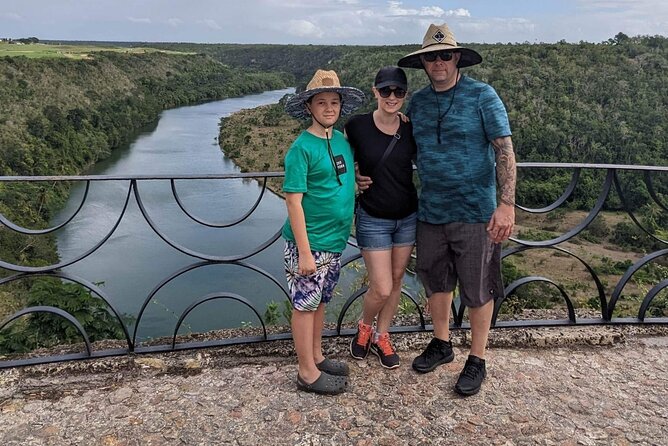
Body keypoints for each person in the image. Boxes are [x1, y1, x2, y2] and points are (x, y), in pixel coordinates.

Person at [358, 23, 517, 396]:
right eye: (432, 56)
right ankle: (442, 343)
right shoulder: (420, 104)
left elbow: (504, 150)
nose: (439, 62)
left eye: (445, 54)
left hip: (476, 211)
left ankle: (477, 359)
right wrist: (359, 176)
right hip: (430, 211)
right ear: (424, 63)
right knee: (436, 281)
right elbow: (392, 146)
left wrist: (506, 205)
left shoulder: (483, 96)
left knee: (478, 289)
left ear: (457, 57)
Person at [282, 69, 365, 395]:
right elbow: (293, 202)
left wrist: (356, 182)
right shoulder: (301, 148)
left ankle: (316, 357)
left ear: (340, 106)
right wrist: (304, 251)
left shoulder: (341, 140)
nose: (329, 108)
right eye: (321, 102)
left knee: (318, 303)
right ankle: (306, 372)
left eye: (334, 102)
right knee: (304, 306)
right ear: (309, 108)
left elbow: (339, 177)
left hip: (333, 241)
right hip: (310, 243)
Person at [344, 66, 418, 369]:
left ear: (404, 95)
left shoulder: (410, 127)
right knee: (382, 287)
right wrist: (355, 175)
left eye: (398, 91)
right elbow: (337, 157)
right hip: (373, 216)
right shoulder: (356, 126)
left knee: (397, 279)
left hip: (407, 216)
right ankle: (364, 327)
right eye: (385, 90)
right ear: (375, 92)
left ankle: (382, 335)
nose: (391, 96)